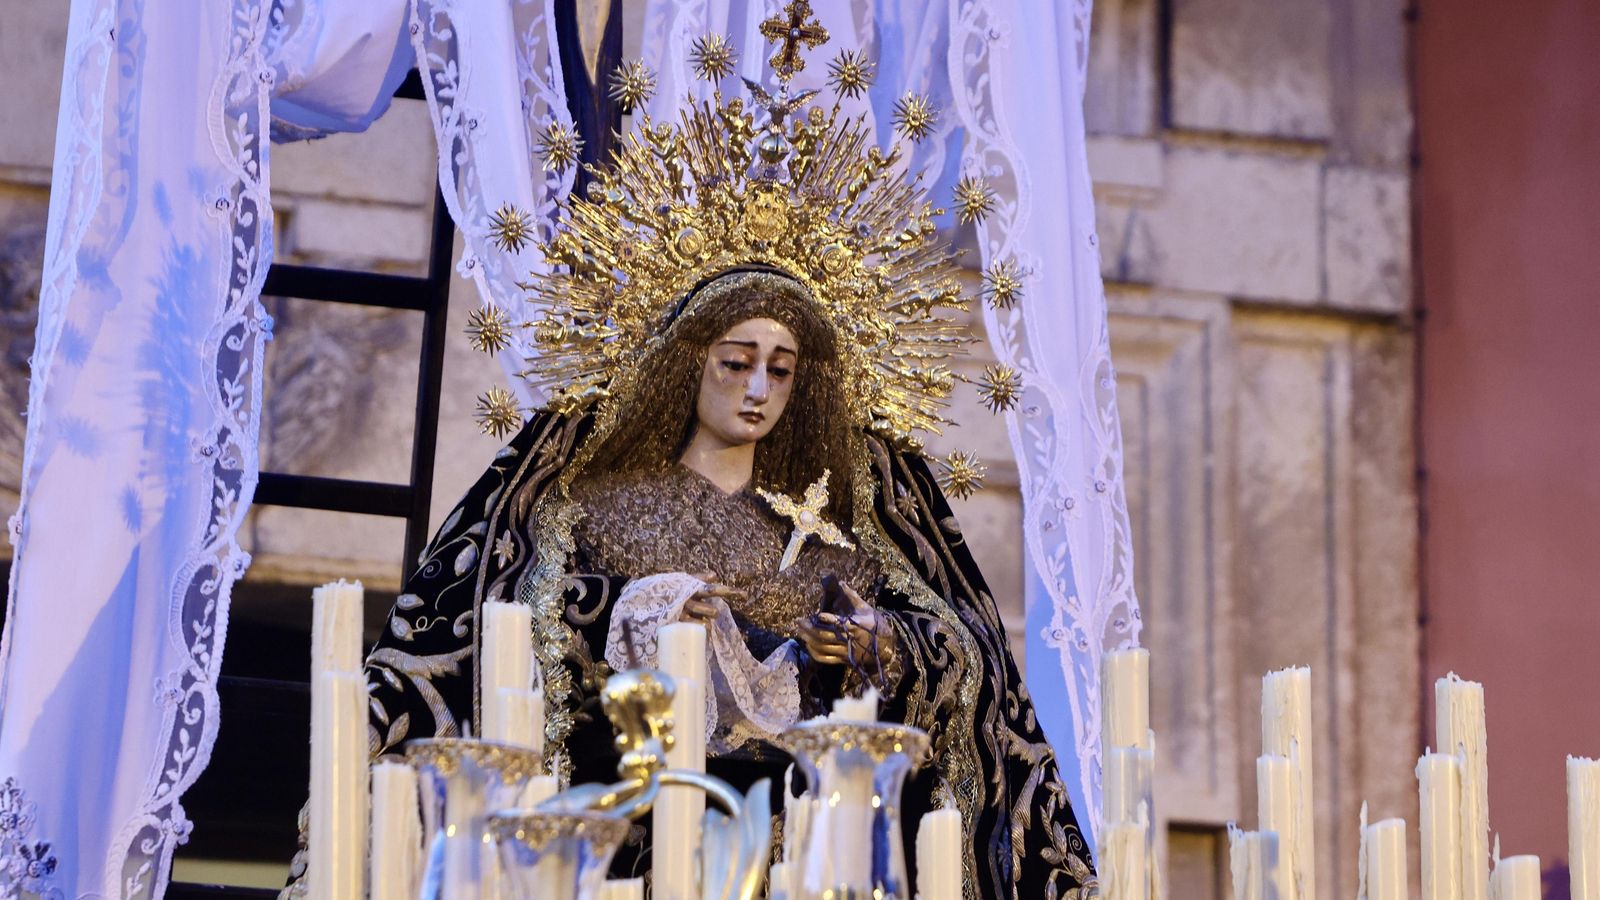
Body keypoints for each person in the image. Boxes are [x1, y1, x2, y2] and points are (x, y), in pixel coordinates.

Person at [290, 18, 1096, 898]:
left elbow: (967, 658)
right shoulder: (598, 502)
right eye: (736, 362)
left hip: (804, 860)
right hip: (631, 857)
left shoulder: (846, 520)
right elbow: (497, 636)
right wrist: (646, 611)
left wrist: (883, 644)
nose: (758, 389)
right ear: (689, 363)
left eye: (781, 370)